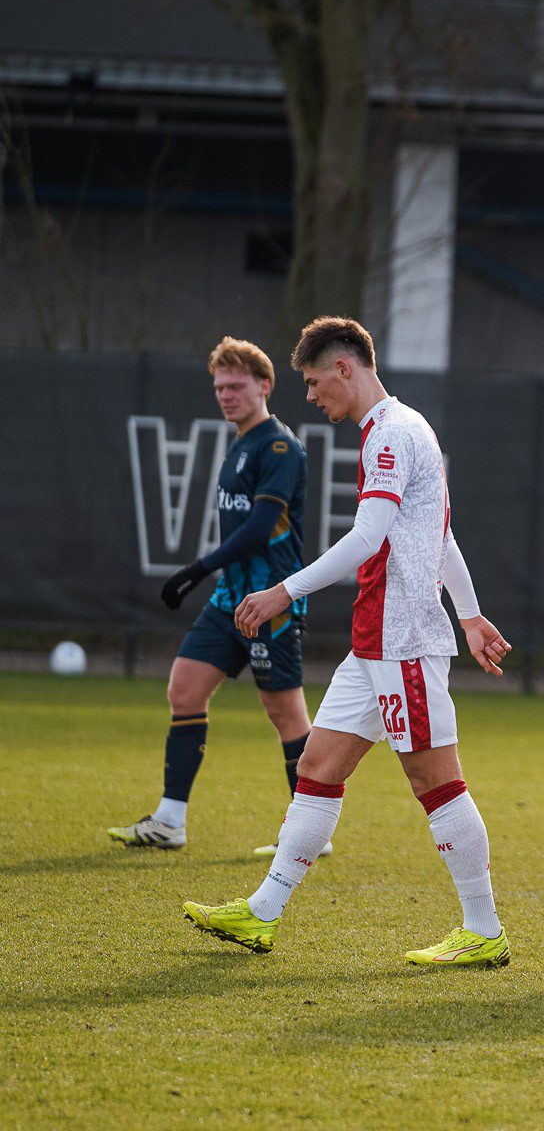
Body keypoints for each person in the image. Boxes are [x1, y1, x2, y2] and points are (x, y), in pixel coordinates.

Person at [181, 316, 514, 967]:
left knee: (435, 781)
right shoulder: (405, 428)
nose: (308, 395)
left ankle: (484, 926)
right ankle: (262, 911)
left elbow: (368, 537)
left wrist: (283, 590)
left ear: (344, 369)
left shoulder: (390, 434)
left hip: (402, 639)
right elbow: (437, 536)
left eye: (312, 381)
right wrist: (471, 616)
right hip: (374, 643)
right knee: (317, 766)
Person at [108, 338, 323, 858]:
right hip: (230, 602)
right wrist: (210, 578)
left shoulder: (279, 448)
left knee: (286, 716)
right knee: (184, 690)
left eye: (237, 386)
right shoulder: (240, 444)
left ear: (264, 386)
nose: (226, 395)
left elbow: (258, 529)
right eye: (220, 387)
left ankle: (311, 836)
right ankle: (169, 822)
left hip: (269, 602)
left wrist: (195, 569)